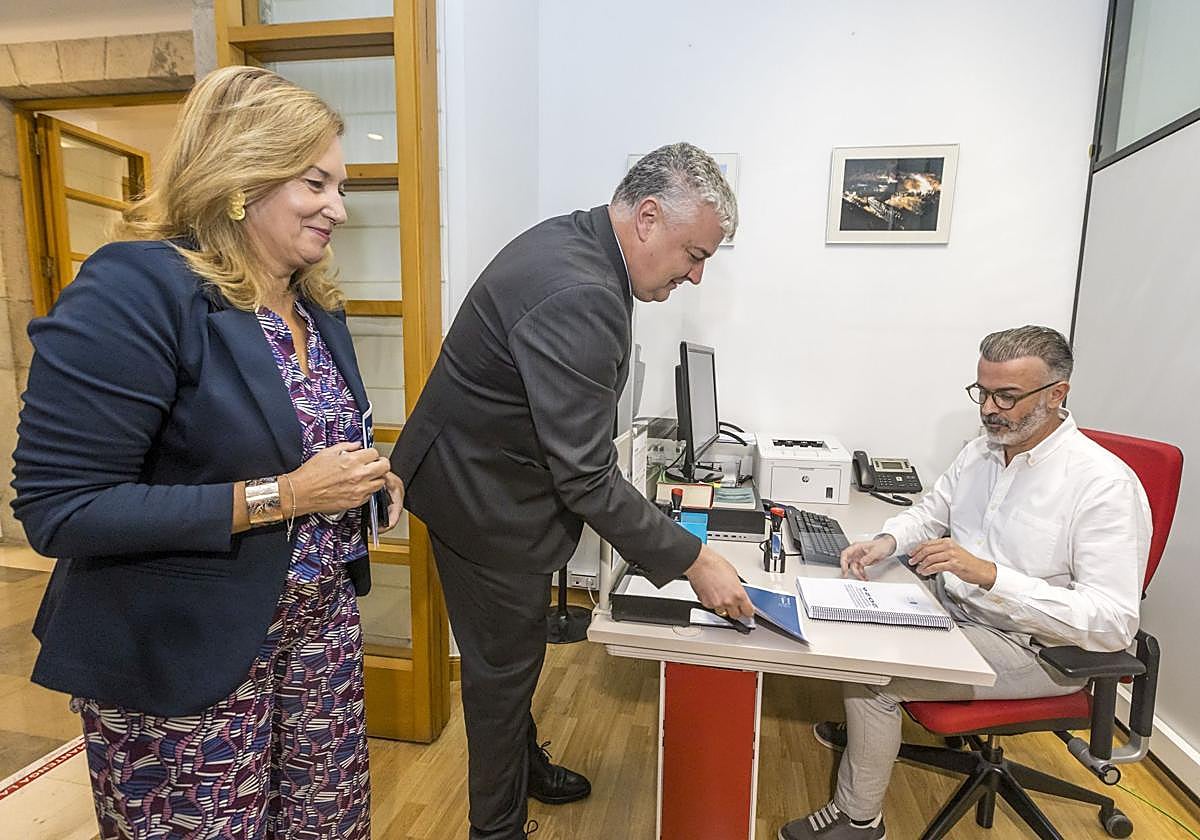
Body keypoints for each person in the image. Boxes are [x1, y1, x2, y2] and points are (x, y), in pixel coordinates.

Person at [12, 65, 403, 839]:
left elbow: (305, 450)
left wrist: (365, 482)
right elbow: (61, 509)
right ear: (242, 176)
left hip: (317, 640)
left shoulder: (312, 302)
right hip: (183, 655)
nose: (340, 209)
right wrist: (288, 496)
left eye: (342, 187)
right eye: (317, 183)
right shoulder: (135, 289)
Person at [390, 142, 754, 839]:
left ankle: (524, 769)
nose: (698, 275)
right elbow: (585, 476)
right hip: (482, 501)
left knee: (515, 657)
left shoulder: (581, 240)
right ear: (647, 217)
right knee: (502, 675)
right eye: (693, 254)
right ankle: (496, 830)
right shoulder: (582, 289)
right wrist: (695, 561)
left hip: (483, 473)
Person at [778, 325, 1151, 840]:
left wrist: (992, 575)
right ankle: (869, 737)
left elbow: (1111, 624)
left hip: (1035, 649)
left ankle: (859, 819)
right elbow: (930, 514)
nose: (990, 409)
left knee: (872, 678)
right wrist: (886, 542)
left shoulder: (1103, 485)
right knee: (845, 609)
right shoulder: (983, 450)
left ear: (1057, 394)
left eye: (1007, 396)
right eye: (983, 392)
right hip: (958, 608)